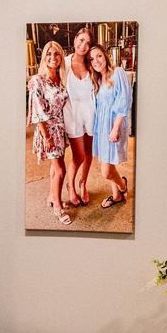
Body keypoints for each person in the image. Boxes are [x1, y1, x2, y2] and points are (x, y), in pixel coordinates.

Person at [27, 40, 72, 225]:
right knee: (61, 169)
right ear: (44, 57)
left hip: (60, 129)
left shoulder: (61, 79)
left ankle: (51, 196)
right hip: (48, 131)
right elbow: (38, 110)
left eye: (56, 54)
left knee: (55, 168)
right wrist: (46, 136)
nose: (53, 58)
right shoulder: (37, 80)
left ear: (61, 57)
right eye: (49, 54)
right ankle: (57, 206)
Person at [90, 41, 132, 209]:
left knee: (106, 171)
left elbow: (123, 102)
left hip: (113, 126)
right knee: (109, 162)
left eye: (99, 56)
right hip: (102, 128)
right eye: (92, 59)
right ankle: (116, 196)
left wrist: (115, 129)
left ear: (105, 56)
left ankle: (122, 186)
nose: (96, 61)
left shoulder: (118, 73)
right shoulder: (98, 80)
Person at [61, 26, 97, 207]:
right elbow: (48, 75)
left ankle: (83, 183)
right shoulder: (65, 63)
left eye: (87, 43)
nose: (83, 46)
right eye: (81, 40)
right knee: (78, 156)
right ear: (75, 39)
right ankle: (71, 185)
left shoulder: (92, 65)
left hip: (90, 115)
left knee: (89, 153)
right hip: (72, 115)